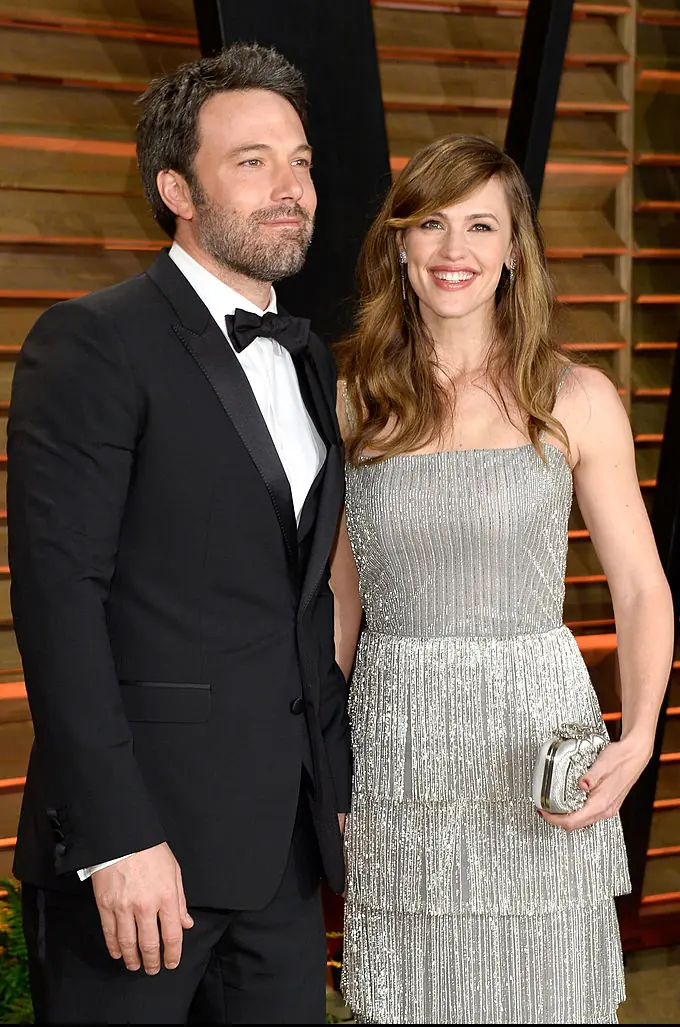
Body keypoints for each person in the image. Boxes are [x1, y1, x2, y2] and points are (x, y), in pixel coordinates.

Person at [8, 43, 349, 1025]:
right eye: (251, 161)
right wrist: (117, 839)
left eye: (300, 160)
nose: (289, 188)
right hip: (139, 857)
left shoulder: (308, 355)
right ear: (174, 188)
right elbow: (58, 602)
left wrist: (336, 797)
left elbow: (302, 605)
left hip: (281, 856)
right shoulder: (93, 340)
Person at [329, 134, 674, 1024]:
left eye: (482, 225)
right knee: (406, 997)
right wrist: (321, 767)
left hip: (536, 742)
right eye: (432, 224)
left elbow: (640, 587)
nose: (455, 251)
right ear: (399, 243)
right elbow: (336, 601)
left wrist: (637, 740)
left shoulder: (577, 396)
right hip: (399, 744)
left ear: (514, 248)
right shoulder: (348, 399)